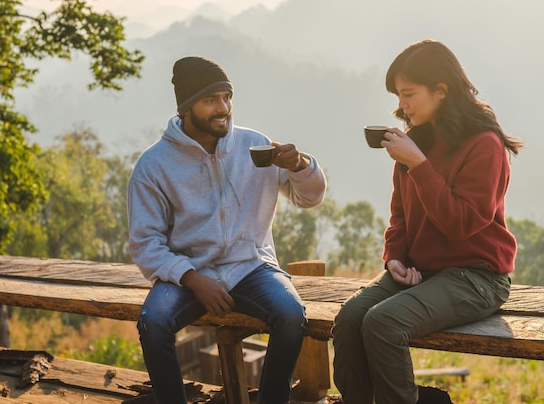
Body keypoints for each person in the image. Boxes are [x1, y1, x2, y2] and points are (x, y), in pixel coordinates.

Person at [332, 39, 523, 404]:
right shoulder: (417, 140)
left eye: (408, 94)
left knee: (383, 322)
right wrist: (395, 259)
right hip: (423, 271)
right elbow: (400, 216)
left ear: (441, 90)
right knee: (351, 317)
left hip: (477, 276)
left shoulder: (484, 145)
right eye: (397, 95)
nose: (400, 106)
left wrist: (420, 165)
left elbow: (460, 224)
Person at [127, 56, 327, 404]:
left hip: (251, 266)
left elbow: (309, 198)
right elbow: (145, 243)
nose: (224, 108)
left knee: (291, 314)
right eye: (210, 100)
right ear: (186, 108)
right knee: (153, 322)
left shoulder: (254, 145)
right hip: (188, 273)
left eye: (227, 97)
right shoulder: (154, 165)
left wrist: (300, 165)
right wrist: (191, 277)